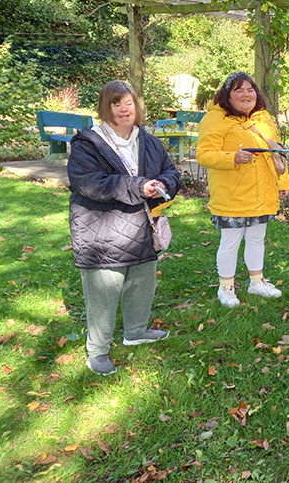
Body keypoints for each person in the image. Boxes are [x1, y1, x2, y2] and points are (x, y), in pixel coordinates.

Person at [68, 80, 180, 375]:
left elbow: (170, 170)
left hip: (141, 226)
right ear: (106, 107)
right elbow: (88, 183)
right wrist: (138, 186)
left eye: (128, 103)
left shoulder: (148, 140)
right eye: (116, 103)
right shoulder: (88, 142)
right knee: (104, 292)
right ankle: (98, 351)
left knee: (142, 282)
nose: (123, 109)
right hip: (101, 229)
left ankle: (135, 331)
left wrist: (163, 184)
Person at [197, 72, 289, 307]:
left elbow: (276, 151)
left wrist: (284, 181)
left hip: (263, 191)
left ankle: (256, 282)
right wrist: (233, 157)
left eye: (250, 89)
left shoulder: (263, 118)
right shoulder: (214, 119)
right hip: (233, 194)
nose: (246, 94)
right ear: (228, 95)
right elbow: (203, 154)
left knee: (257, 239)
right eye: (239, 90)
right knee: (231, 241)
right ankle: (226, 288)